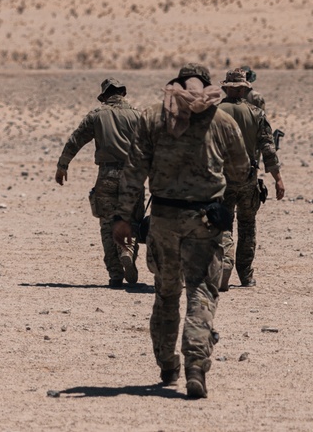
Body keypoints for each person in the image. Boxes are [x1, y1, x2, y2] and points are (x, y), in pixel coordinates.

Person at [115, 64, 250, 399]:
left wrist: (123, 218)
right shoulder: (221, 121)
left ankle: (166, 363)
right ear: (206, 86)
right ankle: (195, 365)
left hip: (162, 220)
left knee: (166, 294)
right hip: (205, 221)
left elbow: (133, 171)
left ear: (174, 84)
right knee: (201, 294)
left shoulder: (152, 119)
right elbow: (240, 169)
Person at [56, 78, 143, 287]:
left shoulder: (97, 115)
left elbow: (76, 139)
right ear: (123, 93)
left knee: (107, 224)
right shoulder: (138, 116)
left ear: (104, 96)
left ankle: (115, 274)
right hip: (134, 175)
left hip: (107, 174)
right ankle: (127, 252)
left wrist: (63, 165)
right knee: (132, 221)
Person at [217, 68, 285, 290]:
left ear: (226, 87)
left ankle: (225, 263)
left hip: (221, 181)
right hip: (248, 179)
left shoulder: (214, 113)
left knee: (222, 225)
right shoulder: (256, 113)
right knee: (247, 226)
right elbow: (268, 148)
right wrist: (278, 179)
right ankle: (246, 275)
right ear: (245, 88)